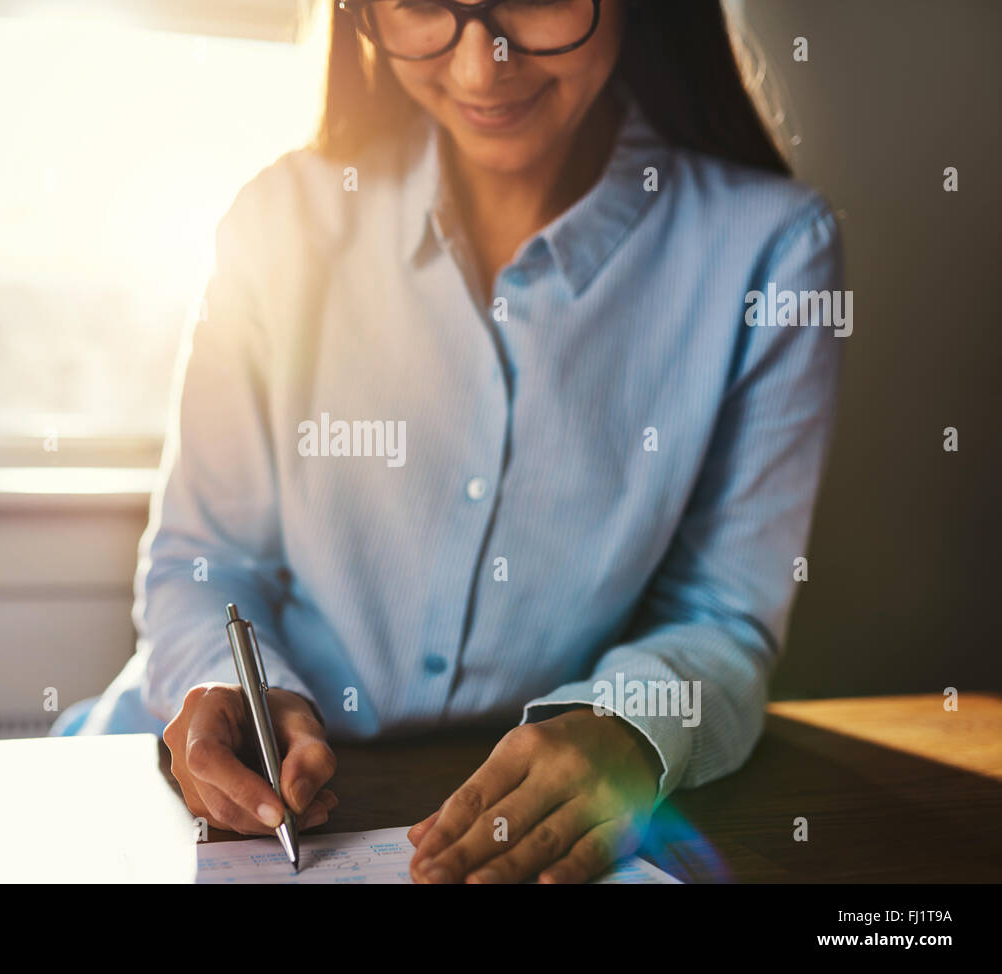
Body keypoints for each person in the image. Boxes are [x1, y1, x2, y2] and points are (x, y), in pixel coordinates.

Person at [62, 0, 845, 883]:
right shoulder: (278, 220)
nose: (482, 67)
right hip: (147, 798)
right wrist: (226, 684)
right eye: (426, 3)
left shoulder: (772, 253)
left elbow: (721, 616)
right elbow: (204, 562)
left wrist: (628, 723)